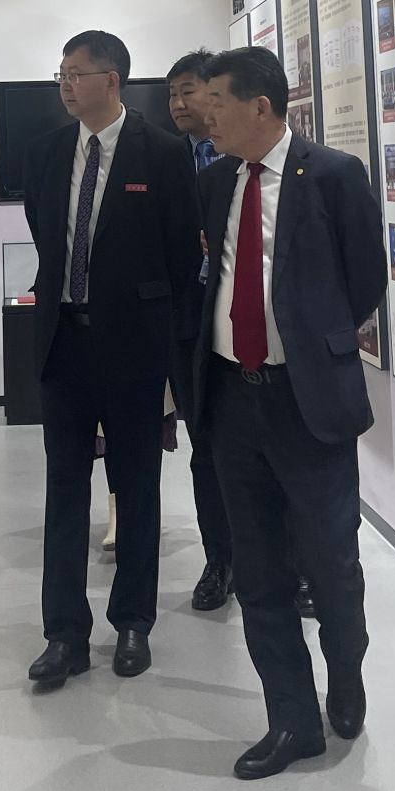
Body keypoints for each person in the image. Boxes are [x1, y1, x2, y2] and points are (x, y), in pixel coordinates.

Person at [187, 46, 387, 779]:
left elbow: (365, 279)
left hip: (307, 402)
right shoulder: (214, 182)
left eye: (215, 101)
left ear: (260, 106)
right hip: (231, 400)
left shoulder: (332, 175)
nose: (203, 115)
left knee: (330, 561)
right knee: (259, 570)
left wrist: (307, 344)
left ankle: (347, 669)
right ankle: (292, 720)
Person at [22, 31, 199, 689]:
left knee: (137, 484)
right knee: (64, 488)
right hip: (64, 342)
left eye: (77, 73)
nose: (66, 85)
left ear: (112, 80)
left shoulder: (164, 152)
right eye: (61, 74)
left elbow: (180, 258)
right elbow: (47, 238)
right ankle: (64, 633)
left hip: (134, 346)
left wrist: (170, 348)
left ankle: (133, 623)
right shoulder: (46, 152)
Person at [165, 47, 235, 612]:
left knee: (275, 449)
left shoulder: (246, 157)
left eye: (188, 90)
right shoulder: (166, 161)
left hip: (251, 323)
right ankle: (221, 562)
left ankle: (293, 566)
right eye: (171, 94)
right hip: (190, 327)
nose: (178, 103)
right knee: (205, 448)